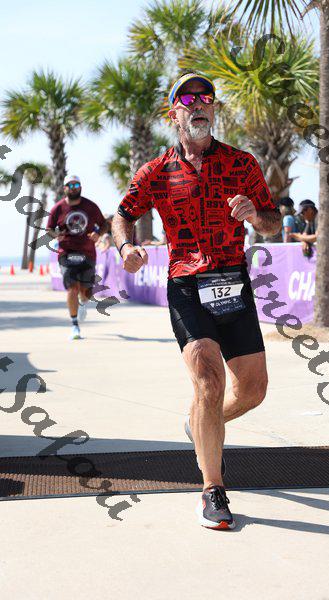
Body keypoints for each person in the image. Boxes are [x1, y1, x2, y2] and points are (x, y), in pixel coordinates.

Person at [112, 72, 281, 530]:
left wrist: (255, 214)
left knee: (253, 391)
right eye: (187, 99)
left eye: (205, 97)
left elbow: (272, 221)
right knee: (208, 380)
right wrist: (126, 248)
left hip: (233, 282)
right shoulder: (156, 171)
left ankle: (201, 425)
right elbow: (123, 215)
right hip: (186, 284)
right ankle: (212, 489)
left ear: (214, 108)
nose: (198, 104)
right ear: (175, 113)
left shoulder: (241, 163)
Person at [47, 175, 108, 340]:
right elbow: (49, 229)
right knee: (72, 288)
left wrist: (98, 234)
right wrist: (56, 235)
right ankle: (75, 326)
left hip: (87, 252)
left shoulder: (90, 206)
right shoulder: (58, 208)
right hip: (66, 252)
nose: (74, 188)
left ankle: (82, 303)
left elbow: (104, 224)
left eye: (76, 185)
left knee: (86, 292)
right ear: (64, 188)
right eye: (70, 185)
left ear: (80, 187)